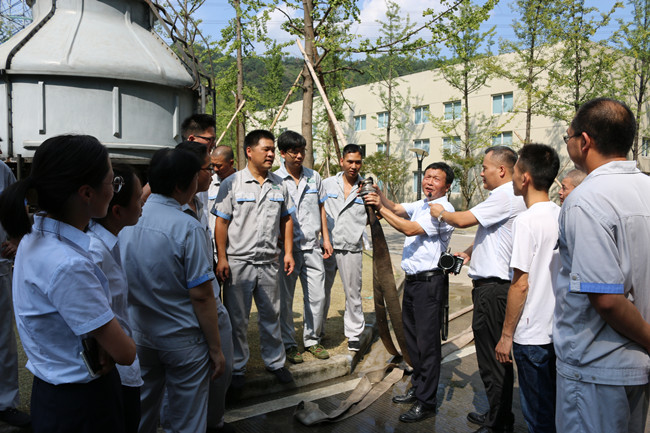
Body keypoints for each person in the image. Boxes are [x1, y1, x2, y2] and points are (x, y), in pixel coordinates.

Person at [0, 135, 136, 433]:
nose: (114, 190)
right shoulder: (68, 263)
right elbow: (125, 353)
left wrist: (102, 338)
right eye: (113, 182)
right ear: (87, 193)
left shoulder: (35, 237)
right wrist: (110, 341)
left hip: (53, 393)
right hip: (83, 404)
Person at [555, 98, 650, 433]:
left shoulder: (587, 199)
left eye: (568, 136)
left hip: (595, 367)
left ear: (584, 141)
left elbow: (606, 298)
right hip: (636, 364)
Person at [119, 147, 225, 433]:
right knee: (186, 419)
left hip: (141, 335)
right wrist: (216, 349)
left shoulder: (129, 221)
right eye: (196, 176)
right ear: (181, 184)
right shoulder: (187, 227)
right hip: (182, 339)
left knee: (142, 410)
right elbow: (202, 295)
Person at [430, 146, 526, 433]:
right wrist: (470, 252)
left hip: (493, 291)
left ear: (501, 170)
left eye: (484, 168)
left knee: (492, 359)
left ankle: (497, 423)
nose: (481, 173)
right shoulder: (510, 197)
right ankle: (499, 415)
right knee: (496, 359)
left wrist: (441, 212)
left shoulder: (504, 196)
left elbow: (462, 220)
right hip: (495, 288)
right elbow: (494, 235)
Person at [363, 162, 455, 423]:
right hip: (414, 282)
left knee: (428, 344)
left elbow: (409, 228)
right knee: (412, 340)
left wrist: (379, 207)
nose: (429, 181)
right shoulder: (423, 204)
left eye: (436, 178)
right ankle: (418, 387)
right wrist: (378, 194)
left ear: (447, 186)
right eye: (427, 176)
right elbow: (396, 208)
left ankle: (427, 402)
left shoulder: (444, 210)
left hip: (430, 284)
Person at [213, 129, 295, 387]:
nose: (271, 154)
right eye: (266, 149)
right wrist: (222, 257)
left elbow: (287, 219)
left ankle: (276, 362)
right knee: (237, 320)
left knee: (271, 315)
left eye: (272, 149)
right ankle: (237, 368)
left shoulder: (279, 184)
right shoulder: (232, 183)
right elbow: (221, 222)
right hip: (239, 263)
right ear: (249, 151)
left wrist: (288, 252)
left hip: (269, 262)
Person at [494, 144, 560, 433]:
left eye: (516, 170)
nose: (512, 176)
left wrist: (506, 336)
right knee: (556, 411)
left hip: (533, 335)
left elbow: (520, 284)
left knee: (538, 418)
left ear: (525, 178)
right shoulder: (562, 214)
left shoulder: (526, 221)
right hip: (559, 332)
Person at [175, 141, 234, 433]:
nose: (213, 174)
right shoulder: (175, 216)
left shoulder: (200, 201)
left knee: (220, 372)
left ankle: (214, 421)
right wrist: (215, 346)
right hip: (191, 304)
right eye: (208, 169)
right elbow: (198, 295)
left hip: (207, 289)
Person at [87, 165, 144, 433]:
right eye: (138, 199)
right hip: (113, 370)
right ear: (117, 211)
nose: (142, 205)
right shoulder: (94, 252)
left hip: (122, 370)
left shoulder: (110, 241)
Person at [275, 130, 333, 364]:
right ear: (282, 153)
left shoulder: (313, 177)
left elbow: (321, 208)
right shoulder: (275, 180)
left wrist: (326, 239)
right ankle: (288, 344)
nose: (299, 156)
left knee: (317, 296)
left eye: (302, 151)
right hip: (286, 250)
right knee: (285, 300)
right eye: (294, 152)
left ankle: (312, 340)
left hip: (312, 246)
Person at [321, 144, 367, 351]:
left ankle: (354, 333)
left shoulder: (366, 187)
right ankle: (317, 331)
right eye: (350, 161)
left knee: (353, 292)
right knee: (321, 292)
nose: (354, 166)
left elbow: (374, 214)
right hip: (327, 246)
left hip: (351, 247)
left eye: (358, 162)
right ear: (341, 161)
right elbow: (318, 210)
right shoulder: (327, 184)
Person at [0, 160, 30, 428]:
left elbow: (16, 206)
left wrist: (16, 239)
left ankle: (5, 403)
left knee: (3, 337)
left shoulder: (2, 170)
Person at [208, 144, 236, 257]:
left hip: (234, 248)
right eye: (213, 165)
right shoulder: (209, 182)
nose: (215, 169)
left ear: (231, 163)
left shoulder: (241, 183)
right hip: (211, 247)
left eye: (219, 166)